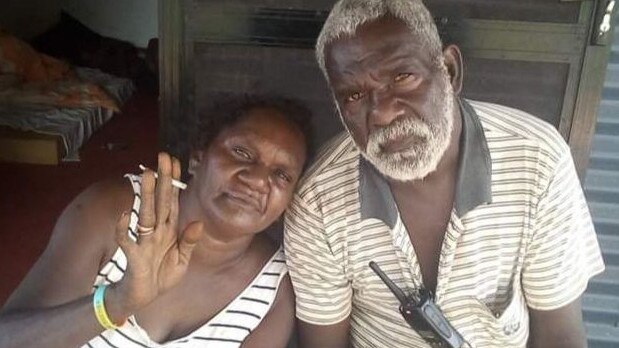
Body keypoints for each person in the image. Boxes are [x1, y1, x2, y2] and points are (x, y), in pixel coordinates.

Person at [283, 1, 605, 347]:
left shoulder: (538, 159)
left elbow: (559, 334)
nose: (382, 114)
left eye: (402, 77)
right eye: (354, 95)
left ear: (450, 71)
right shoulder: (319, 200)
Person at [0, 95, 312, 348]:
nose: (258, 179)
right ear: (198, 157)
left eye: (282, 174)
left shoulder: (274, 292)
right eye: (242, 152)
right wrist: (115, 303)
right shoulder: (113, 213)